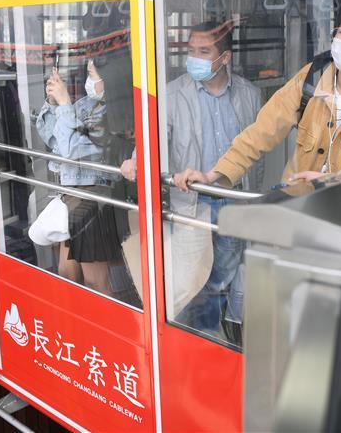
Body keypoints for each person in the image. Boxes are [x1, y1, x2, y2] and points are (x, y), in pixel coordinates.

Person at [174, 0, 341, 193]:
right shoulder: (312, 76)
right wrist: (212, 175)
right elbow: (262, 130)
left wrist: (336, 180)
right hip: (301, 206)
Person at [121, 19, 264, 339]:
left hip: (233, 202)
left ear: (225, 57)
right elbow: (153, 139)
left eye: (204, 51)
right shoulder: (173, 95)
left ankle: (207, 339)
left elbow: (257, 153)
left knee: (222, 279)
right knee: (191, 281)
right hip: (191, 203)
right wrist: (135, 161)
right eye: (191, 50)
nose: (194, 58)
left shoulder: (249, 94)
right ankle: (195, 340)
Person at [36, 59, 122, 295]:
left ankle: (104, 317)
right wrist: (53, 103)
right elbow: (53, 139)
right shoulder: (86, 104)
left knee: (96, 282)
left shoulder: (115, 109)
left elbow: (74, 151)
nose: (88, 80)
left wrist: (64, 104)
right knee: (67, 274)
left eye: (92, 74)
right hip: (72, 198)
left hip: (94, 200)